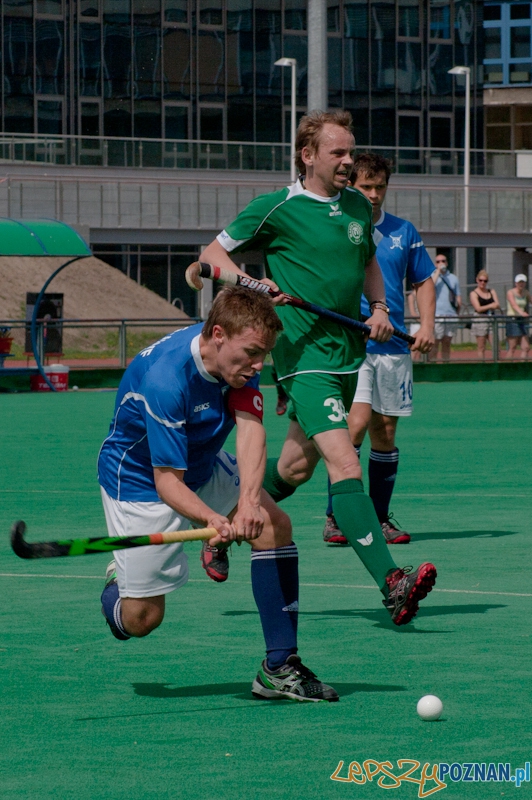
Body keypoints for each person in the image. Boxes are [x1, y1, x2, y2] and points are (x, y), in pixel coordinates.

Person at [201, 111, 437, 626]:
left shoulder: (356, 206)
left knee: (294, 469)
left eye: (351, 152)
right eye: (339, 153)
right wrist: (255, 284)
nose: (349, 162)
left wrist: (380, 309)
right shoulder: (278, 207)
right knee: (345, 463)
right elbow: (213, 255)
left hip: (348, 353)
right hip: (303, 357)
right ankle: (391, 582)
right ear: (308, 156)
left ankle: (223, 526)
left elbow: (367, 263)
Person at [98, 286, 338, 703]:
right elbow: (167, 481)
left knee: (274, 527)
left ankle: (279, 668)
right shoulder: (165, 380)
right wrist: (213, 519)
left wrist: (249, 504)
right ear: (218, 335)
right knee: (141, 621)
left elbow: (250, 428)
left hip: (203, 463)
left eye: (264, 354)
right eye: (253, 354)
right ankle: (118, 581)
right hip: (139, 483)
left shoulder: (239, 356)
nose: (259, 365)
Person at [322, 153, 435, 546]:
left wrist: (427, 326)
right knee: (354, 426)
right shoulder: (338, 225)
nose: (373, 194)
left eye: (379, 187)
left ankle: (381, 518)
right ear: (351, 185)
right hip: (353, 345)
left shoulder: (404, 231)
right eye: (365, 186)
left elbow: (423, 280)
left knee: (384, 432)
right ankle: (336, 517)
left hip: (394, 346)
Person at [428, 254, 461, 362]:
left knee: (447, 342)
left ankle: (445, 363)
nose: (441, 263)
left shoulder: (453, 278)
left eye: (443, 261)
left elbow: (458, 296)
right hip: (437, 314)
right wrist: (438, 271)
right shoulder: (433, 276)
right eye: (438, 261)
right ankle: (432, 364)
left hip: (450, 314)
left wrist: (457, 312)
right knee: (435, 342)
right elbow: (430, 286)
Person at [469, 270, 500, 360]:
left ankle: (496, 363)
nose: (482, 282)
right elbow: (478, 308)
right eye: (480, 280)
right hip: (480, 319)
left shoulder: (491, 291)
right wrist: (490, 305)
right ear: (477, 280)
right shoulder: (473, 293)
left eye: (485, 281)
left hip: (491, 319)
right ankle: (482, 365)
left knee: (496, 346)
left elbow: (497, 304)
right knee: (481, 347)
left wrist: (493, 306)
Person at [505, 274, 530, 359]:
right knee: (513, 347)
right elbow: (514, 305)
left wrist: (522, 314)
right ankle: (506, 365)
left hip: (522, 320)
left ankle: (522, 365)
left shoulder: (526, 292)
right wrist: (521, 312)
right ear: (516, 283)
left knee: (526, 347)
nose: (521, 284)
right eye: (519, 282)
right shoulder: (510, 292)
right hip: (512, 320)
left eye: (523, 282)